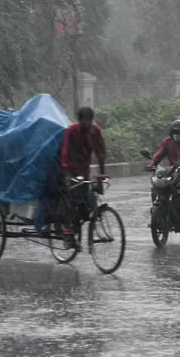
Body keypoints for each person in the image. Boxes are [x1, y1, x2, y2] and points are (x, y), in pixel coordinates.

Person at [59, 106, 107, 250]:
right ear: (80, 120)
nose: (88, 124)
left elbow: (100, 152)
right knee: (70, 202)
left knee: (86, 203)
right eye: (85, 121)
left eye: (90, 121)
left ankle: (78, 229)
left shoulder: (95, 131)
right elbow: (65, 153)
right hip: (69, 169)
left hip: (84, 169)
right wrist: (67, 175)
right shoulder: (71, 131)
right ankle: (68, 235)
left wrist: (101, 174)